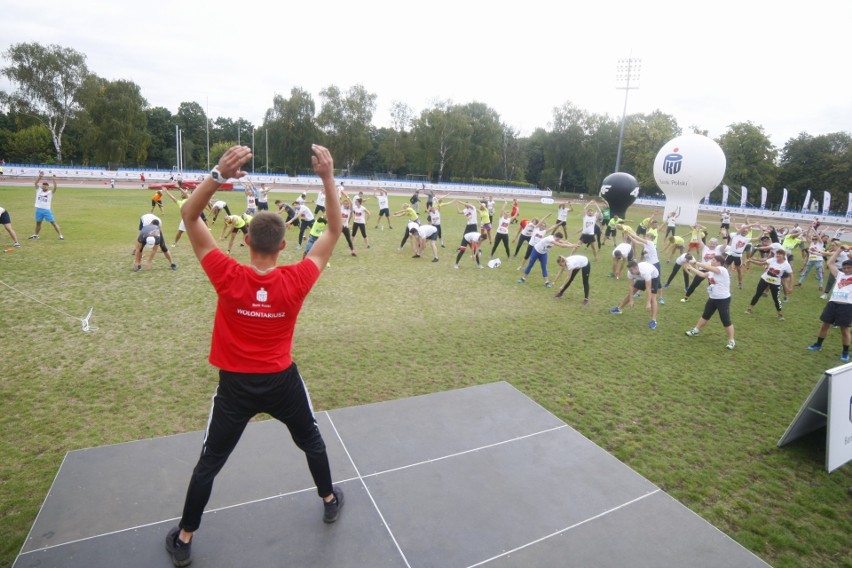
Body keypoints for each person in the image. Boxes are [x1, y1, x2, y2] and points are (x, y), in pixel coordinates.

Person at [164, 145, 343, 568]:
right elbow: (333, 232)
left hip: (236, 388)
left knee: (210, 461)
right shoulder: (297, 278)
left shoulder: (227, 273)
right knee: (311, 439)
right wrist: (327, 178)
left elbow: (189, 216)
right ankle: (330, 499)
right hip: (282, 381)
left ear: (245, 240)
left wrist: (218, 174)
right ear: (284, 246)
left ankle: (185, 537)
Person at [807, 246, 852, 361]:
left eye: (849, 268)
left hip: (846, 307)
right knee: (824, 325)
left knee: (844, 330)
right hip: (832, 304)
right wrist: (839, 250)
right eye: (845, 268)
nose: (846, 270)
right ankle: (818, 345)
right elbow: (831, 263)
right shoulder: (840, 275)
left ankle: (845, 352)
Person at [683, 255, 736, 349]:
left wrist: (695, 263)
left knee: (726, 320)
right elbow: (703, 274)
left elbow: (707, 267)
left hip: (723, 299)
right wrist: (691, 268)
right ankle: (696, 330)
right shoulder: (712, 272)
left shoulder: (722, 270)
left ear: (719, 262)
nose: (712, 261)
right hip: (713, 298)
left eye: (714, 260)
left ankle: (731, 341)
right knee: (705, 315)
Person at [609, 260, 661, 330]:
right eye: (629, 270)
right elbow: (630, 287)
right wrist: (631, 299)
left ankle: (653, 321)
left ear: (636, 268)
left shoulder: (645, 272)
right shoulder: (630, 273)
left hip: (653, 277)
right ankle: (619, 309)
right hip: (641, 278)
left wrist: (648, 302)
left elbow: (648, 288)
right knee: (632, 292)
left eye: (631, 270)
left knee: (652, 298)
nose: (630, 272)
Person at [745, 249, 791, 320]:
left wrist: (790, 286)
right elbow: (761, 263)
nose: (778, 255)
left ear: (783, 256)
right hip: (764, 279)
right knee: (758, 294)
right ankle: (749, 308)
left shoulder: (786, 265)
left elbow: (791, 274)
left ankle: (780, 314)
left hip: (775, 283)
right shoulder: (772, 260)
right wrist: (751, 261)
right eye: (777, 254)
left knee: (776, 298)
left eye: (780, 254)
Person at [30, 172, 64, 240]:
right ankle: (36, 235)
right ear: (42, 186)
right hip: (39, 210)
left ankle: (60, 235)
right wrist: (40, 176)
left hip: (46, 210)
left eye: (46, 186)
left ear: (48, 187)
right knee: (38, 223)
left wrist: (54, 180)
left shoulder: (50, 193)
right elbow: (36, 183)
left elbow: (55, 187)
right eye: (43, 185)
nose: (44, 186)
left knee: (53, 223)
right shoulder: (38, 190)